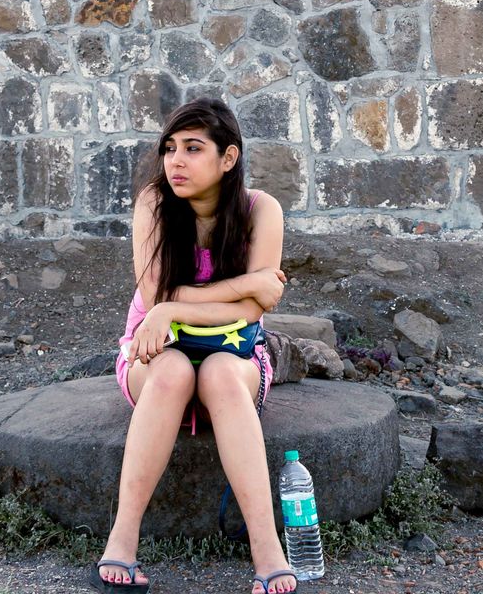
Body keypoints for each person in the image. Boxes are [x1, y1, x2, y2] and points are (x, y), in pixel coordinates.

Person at [92, 97, 298, 594]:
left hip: (237, 356)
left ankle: (267, 548)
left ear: (228, 158)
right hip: (153, 353)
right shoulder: (154, 203)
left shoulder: (259, 210)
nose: (175, 161)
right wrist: (167, 309)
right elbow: (155, 294)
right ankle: (122, 539)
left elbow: (253, 313)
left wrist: (174, 306)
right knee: (174, 372)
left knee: (221, 374)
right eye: (169, 148)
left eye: (193, 148)